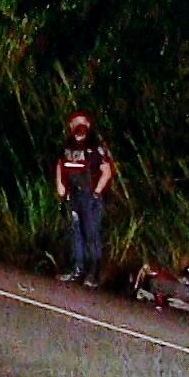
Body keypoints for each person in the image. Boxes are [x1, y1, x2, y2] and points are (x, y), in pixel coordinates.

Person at [54, 109, 114, 286]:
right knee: (75, 233)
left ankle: (92, 274)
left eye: (83, 122)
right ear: (71, 126)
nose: (80, 125)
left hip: (89, 196)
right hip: (73, 195)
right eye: (76, 122)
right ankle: (77, 269)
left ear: (88, 125)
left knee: (91, 234)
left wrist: (96, 192)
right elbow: (60, 165)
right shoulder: (67, 146)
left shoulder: (96, 147)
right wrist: (60, 186)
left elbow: (107, 171)